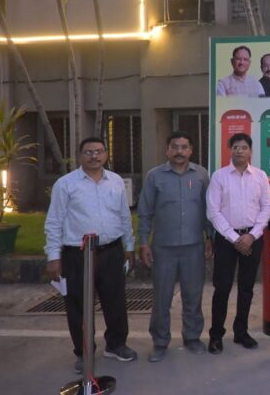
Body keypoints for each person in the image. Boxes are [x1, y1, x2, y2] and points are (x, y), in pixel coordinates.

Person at [44, 137, 137, 373]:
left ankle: (116, 345)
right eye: (88, 152)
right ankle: (83, 352)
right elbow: (54, 221)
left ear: (105, 154)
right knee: (78, 306)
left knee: (115, 301)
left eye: (98, 151)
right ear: (79, 155)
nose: (94, 156)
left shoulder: (115, 181)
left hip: (111, 251)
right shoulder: (66, 184)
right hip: (78, 255)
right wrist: (53, 257)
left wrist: (129, 246)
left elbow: (124, 216)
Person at [137, 131, 213, 362]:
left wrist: (210, 238)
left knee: (193, 295)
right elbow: (145, 212)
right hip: (163, 248)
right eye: (175, 147)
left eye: (184, 147)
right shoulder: (154, 176)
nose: (179, 151)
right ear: (167, 150)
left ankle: (192, 337)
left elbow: (208, 210)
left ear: (191, 150)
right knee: (162, 298)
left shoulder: (201, 175)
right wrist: (143, 243)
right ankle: (160, 341)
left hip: (194, 247)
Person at [206, 133, 270, 354]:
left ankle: (241, 332)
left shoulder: (260, 176)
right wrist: (235, 238)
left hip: (253, 238)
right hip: (227, 240)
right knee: (222, 288)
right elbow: (213, 211)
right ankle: (216, 335)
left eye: (244, 147)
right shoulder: (219, 177)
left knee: (246, 288)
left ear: (250, 151)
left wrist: (252, 235)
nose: (240, 151)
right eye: (236, 147)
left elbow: (267, 207)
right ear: (230, 150)